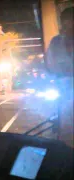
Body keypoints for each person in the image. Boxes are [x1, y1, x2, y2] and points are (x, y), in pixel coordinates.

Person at [46, 7, 73, 148]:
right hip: (64, 93)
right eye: (67, 22)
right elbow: (51, 65)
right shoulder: (56, 42)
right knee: (66, 132)